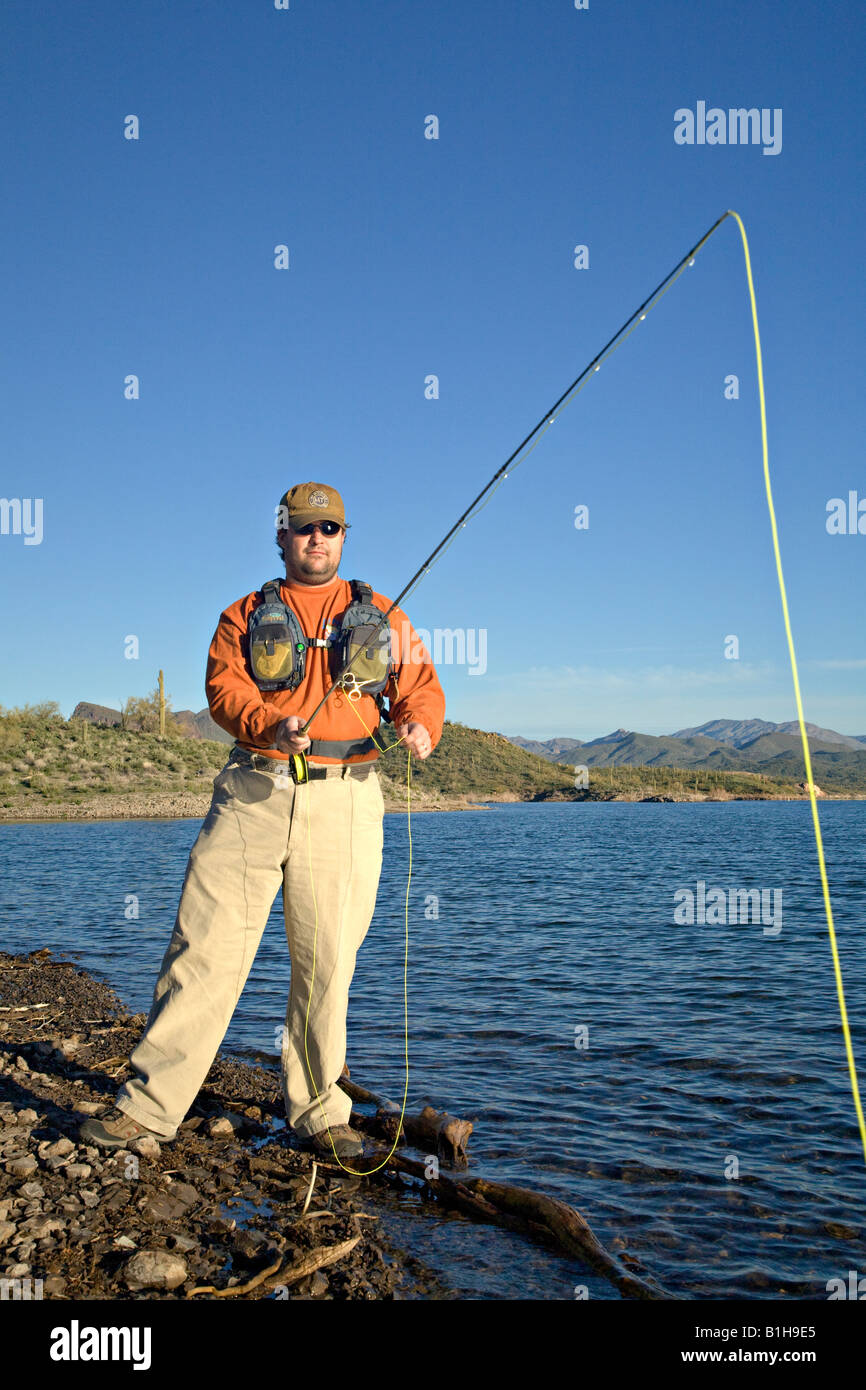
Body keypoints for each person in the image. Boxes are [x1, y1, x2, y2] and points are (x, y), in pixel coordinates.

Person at [81, 482, 445, 1158]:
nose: (317, 539)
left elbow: (419, 686)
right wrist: (272, 724)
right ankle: (150, 1106)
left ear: (344, 536)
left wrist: (422, 725)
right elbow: (224, 694)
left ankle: (320, 1115)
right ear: (281, 536)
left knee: (328, 964)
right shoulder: (242, 615)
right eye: (304, 528)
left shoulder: (384, 615)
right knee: (204, 950)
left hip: (348, 799)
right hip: (252, 793)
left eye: (330, 528)